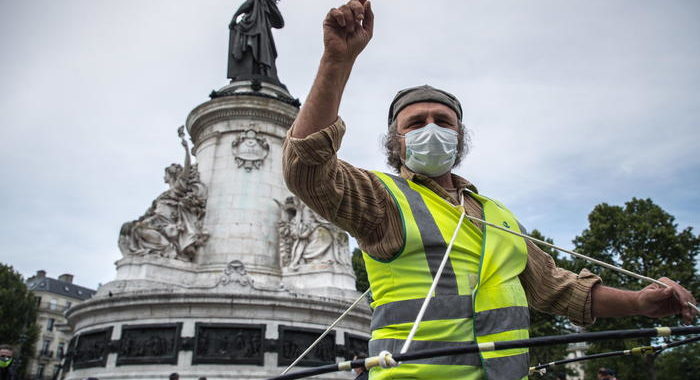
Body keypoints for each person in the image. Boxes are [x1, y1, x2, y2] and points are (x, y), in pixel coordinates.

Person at [282, 1, 698, 379]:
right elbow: (306, 168)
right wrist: (337, 61)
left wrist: (639, 303)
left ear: (460, 136)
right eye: (415, 123)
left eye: (444, 121)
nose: (432, 129)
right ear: (396, 142)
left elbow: (561, 289)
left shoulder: (498, 215)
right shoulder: (381, 199)